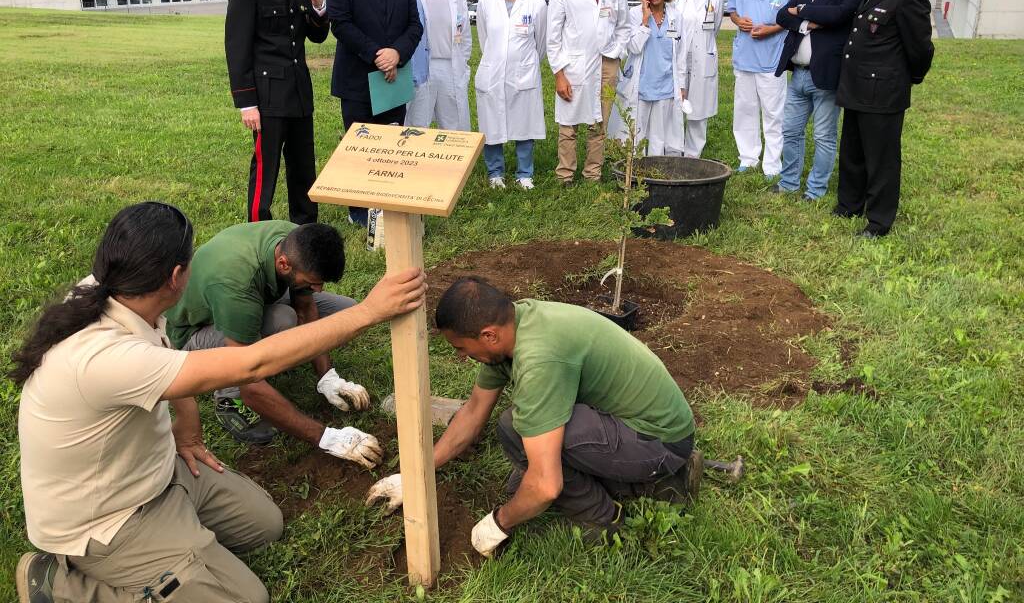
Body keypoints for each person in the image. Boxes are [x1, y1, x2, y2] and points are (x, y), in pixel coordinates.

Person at [13, 202, 425, 603]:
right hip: (110, 518)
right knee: (247, 596)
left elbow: (168, 356)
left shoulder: (123, 294)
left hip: (155, 468)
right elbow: (250, 365)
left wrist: (188, 428)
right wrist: (367, 312)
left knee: (264, 525)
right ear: (176, 276)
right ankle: (60, 584)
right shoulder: (105, 358)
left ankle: (179, 538)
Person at [366, 277, 702, 556]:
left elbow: (545, 485)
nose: (463, 357)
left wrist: (499, 521)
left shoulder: (540, 359)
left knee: (522, 442)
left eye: (461, 348)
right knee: (518, 445)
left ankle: (604, 520)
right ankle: (654, 482)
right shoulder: (515, 325)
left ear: (488, 336)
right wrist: (416, 474)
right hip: (635, 423)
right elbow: (471, 414)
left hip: (659, 439)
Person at [164, 220, 372, 451]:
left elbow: (305, 309)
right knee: (283, 320)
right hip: (196, 330)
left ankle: (288, 355)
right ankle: (229, 398)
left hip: (248, 302)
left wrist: (328, 377)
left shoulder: (295, 240)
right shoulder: (236, 284)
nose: (319, 290)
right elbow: (247, 374)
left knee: (346, 314)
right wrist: (324, 437)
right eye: (313, 283)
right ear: (284, 264)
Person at [225, 0, 329, 226]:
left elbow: (317, 36)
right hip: (267, 97)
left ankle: (305, 227)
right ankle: (258, 228)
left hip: (298, 93)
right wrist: (247, 103)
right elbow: (237, 46)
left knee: (303, 167)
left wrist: (319, 4)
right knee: (265, 167)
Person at [834, 0, 934, 237]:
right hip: (858, 87)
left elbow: (920, 49)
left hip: (883, 91)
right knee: (853, 149)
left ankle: (878, 221)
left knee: (881, 157)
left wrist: (907, 79)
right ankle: (849, 204)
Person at [326, 0, 424, 226]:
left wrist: (396, 53)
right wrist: (377, 55)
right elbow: (340, 24)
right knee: (360, 148)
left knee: (392, 147)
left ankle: (388, 206)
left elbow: (414, 27)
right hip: (357, 82)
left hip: (393, 81)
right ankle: (359, 210)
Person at [773, 0, 870, 201]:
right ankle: (789, 183)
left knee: (824, 136)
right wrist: (810, 20)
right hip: (799, 75)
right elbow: (782, 14)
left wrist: (801, 9)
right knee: (790, 131)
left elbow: (838, 15)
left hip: (826, 76)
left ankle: (815, 191)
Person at [547, 0, 630, 184]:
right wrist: (559, 75)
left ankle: (592, 173)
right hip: (574, 64)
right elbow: (553, 34)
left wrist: (615, 52)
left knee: (600, 121)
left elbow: (624, 25)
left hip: (607, 63)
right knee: (568, 124)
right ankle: (565, 175)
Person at [725, 0, 801, 177]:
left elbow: (798, 13)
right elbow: (732, 9)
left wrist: (774, 28)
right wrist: (738, 21)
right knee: (744, 111)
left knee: (773, 112)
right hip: (745, 56)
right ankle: (748, 158)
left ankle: (771, 164)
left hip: (772, 57)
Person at [474, 0, 548, 189]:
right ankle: (495, 173)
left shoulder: (535, 2)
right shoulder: (486, 1)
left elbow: (540, 44)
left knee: (524, 125)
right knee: (491, 124)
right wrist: (500, 61)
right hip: (493, 73)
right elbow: (485, 40)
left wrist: (521, 63)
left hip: (523, 74)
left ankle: (524, 174)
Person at [607, 0, 688, 156]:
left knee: (659, 135)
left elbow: (681, 54)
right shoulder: (635, 14)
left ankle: (656, 170)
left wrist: (681, 85)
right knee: (636, 132)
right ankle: (635, 171)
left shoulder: (676, 17)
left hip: (666, 85)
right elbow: (634, 47)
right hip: (641, 84)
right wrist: (645, 20)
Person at [406, 0, 473, 130]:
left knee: (454, 124)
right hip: (423, 67)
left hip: (450, 67)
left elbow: (465, 37)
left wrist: (462, 65)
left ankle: (455, 158)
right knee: (418, 123)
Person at [676, 0, 726, 158]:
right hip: (679, 56)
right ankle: (674, 149)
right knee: (675, 106)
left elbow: (715, 27)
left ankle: (692, 154)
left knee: (699, 109)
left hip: (703, 57)